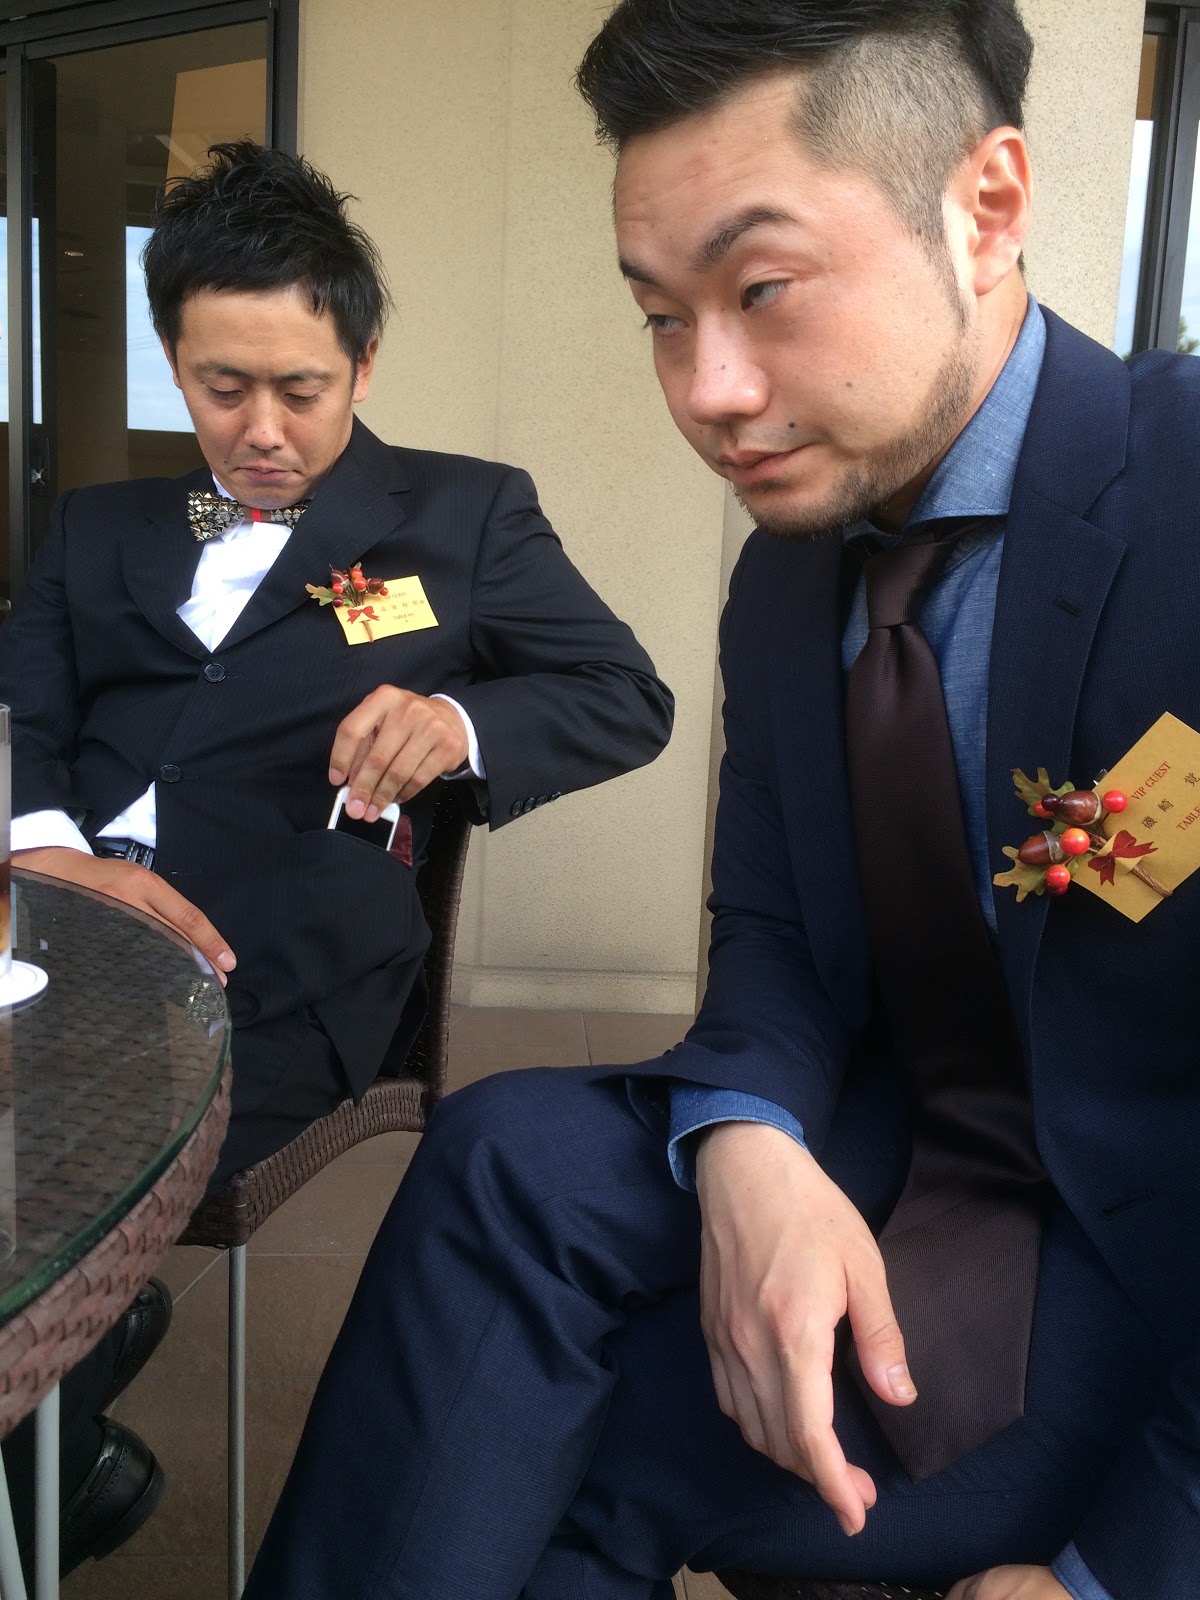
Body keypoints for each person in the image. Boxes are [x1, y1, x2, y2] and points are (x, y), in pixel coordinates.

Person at [242, 5, 1200, 1599]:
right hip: (897, 1140)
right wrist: (748, 1138)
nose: (709, 390)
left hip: (1132, 1252)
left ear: (987, 206)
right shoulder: (786, 585)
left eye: (761, 290)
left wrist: (1124, 1572)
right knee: (500, 1153)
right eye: (660, 317)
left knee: (560, 1449)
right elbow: (770, 931)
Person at [0, 139, 672, 1575]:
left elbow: (625, 696)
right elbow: (23, 719)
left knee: (44, 1168)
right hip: (49, 937)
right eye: (220, 387)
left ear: (364, 361)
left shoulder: (461, 514)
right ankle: (65, 1440)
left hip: (278, 969)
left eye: (299, 390)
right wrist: (51, 853)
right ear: (174, 365)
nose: (260, 431)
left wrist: (458, 720)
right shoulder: (101, 524)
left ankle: (56, 1429)